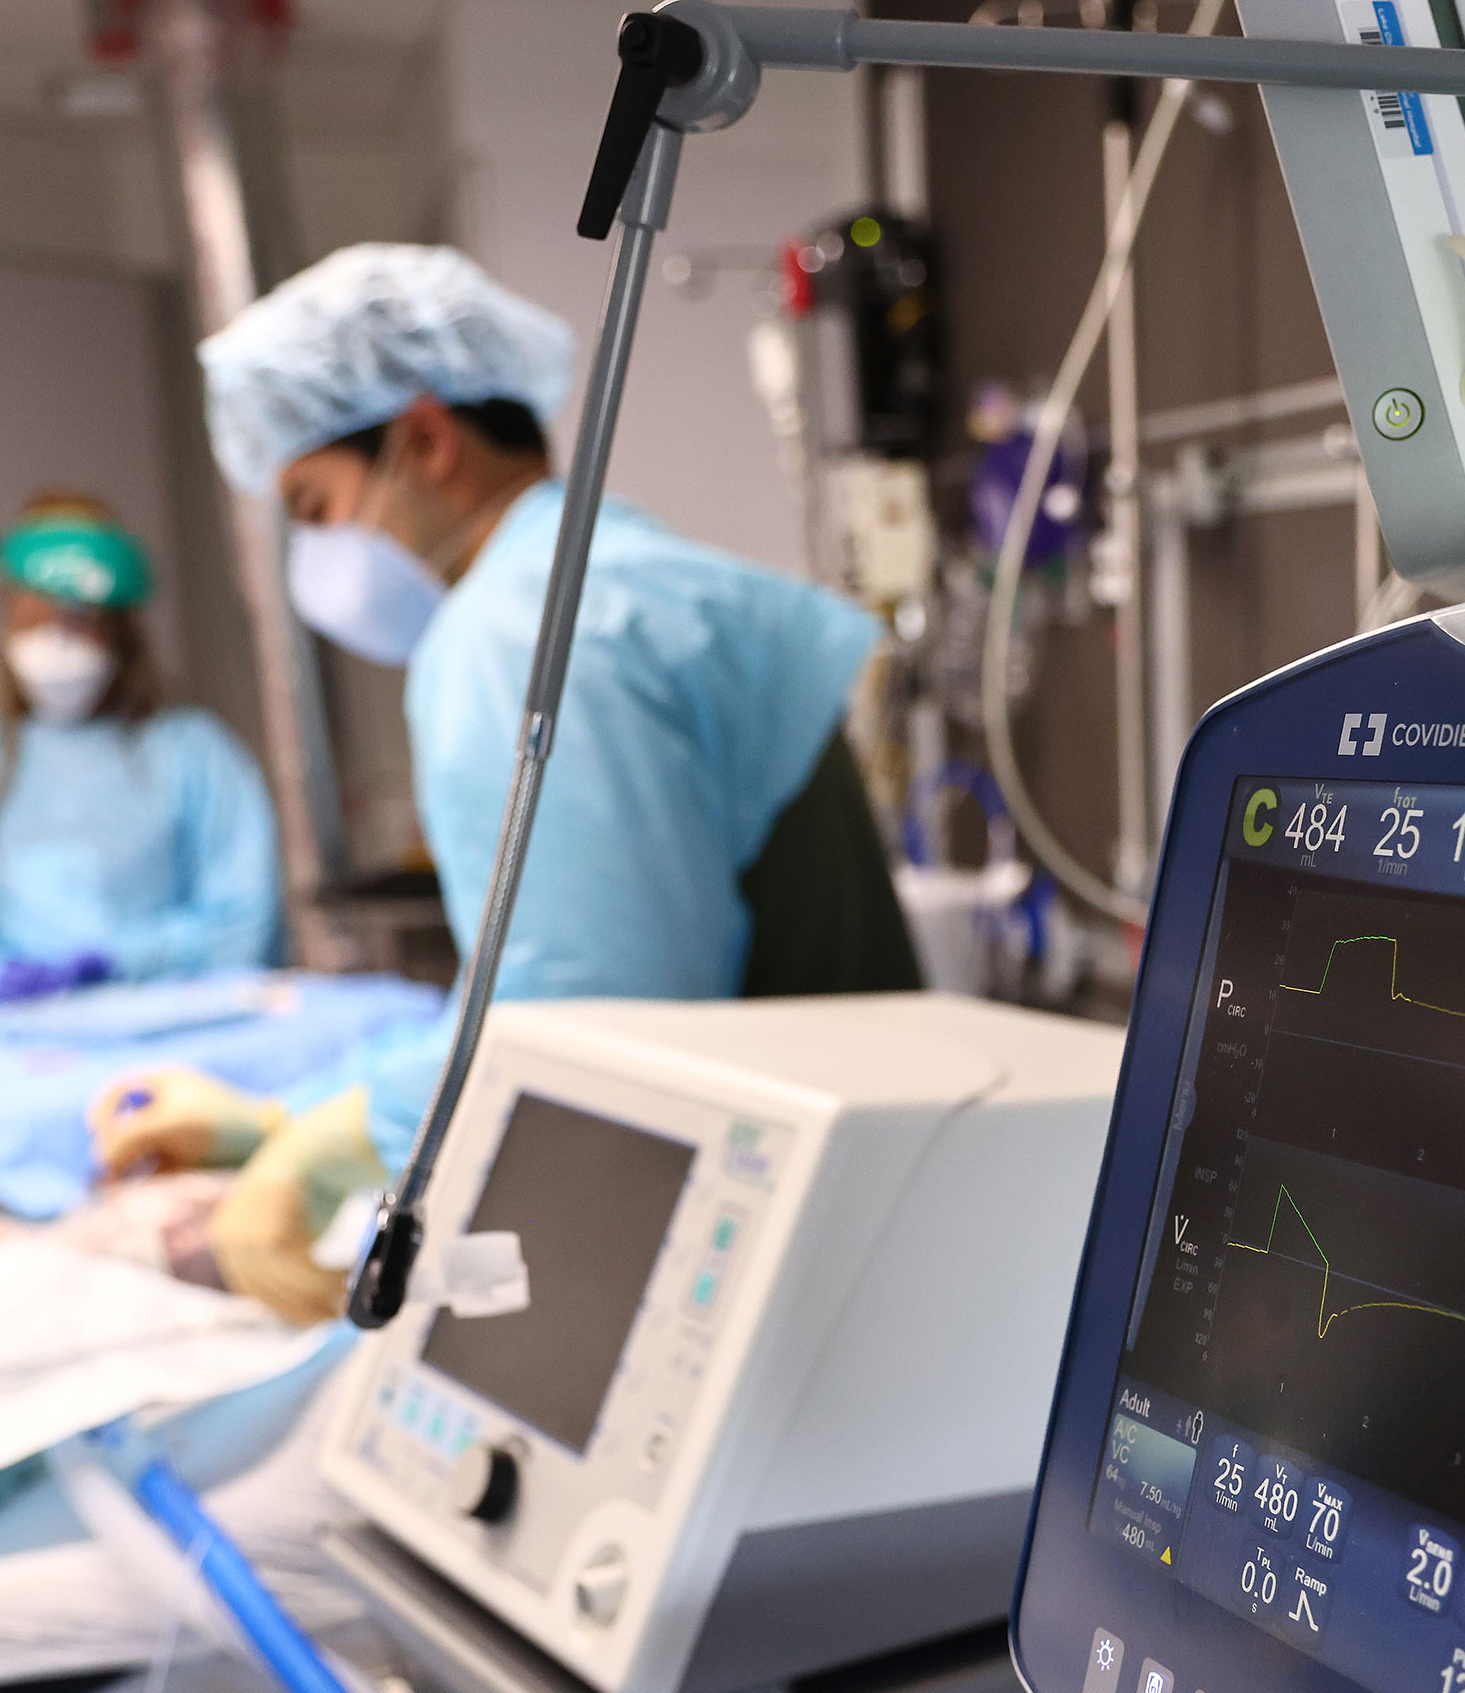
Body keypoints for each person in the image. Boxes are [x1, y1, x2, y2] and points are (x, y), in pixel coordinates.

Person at [93, 245, 920, 1321]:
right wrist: (291, 1121)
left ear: (425, 441)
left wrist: (332, 1153)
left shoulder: (513, 634)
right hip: (867, 1172)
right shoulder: (617, 573)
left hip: (794, 1247)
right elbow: (544, 973)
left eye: (313, 504)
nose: (318, 556)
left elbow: (591, 1014)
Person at [0, 494, 282, 1015]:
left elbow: (243, 925)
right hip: (10, 1053)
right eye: (34, 614)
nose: (56, 638)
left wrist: (121, 963)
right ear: (8, 613)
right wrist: (4, 980)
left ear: (122, 625)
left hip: (172, 1039)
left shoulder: (193, 754)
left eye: (78, 618)